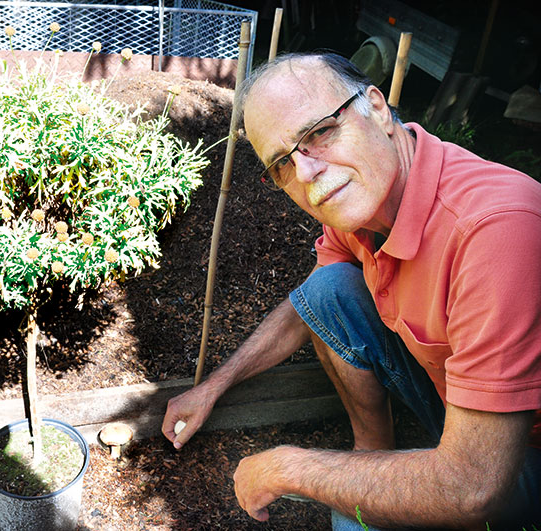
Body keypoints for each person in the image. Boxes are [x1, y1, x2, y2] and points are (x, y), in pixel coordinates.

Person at [161, 52, 541, 530]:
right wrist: (213, 386)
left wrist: (288, 467)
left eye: (319, 131)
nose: (305, 173)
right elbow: (311, 305)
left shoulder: (495, 229)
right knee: (329, 287)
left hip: (513, 456)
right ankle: (374, 451)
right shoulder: (364, 205)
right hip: (461, 417)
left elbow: (475, 486)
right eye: (281, 162)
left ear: (377, 108)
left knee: (352, 519)